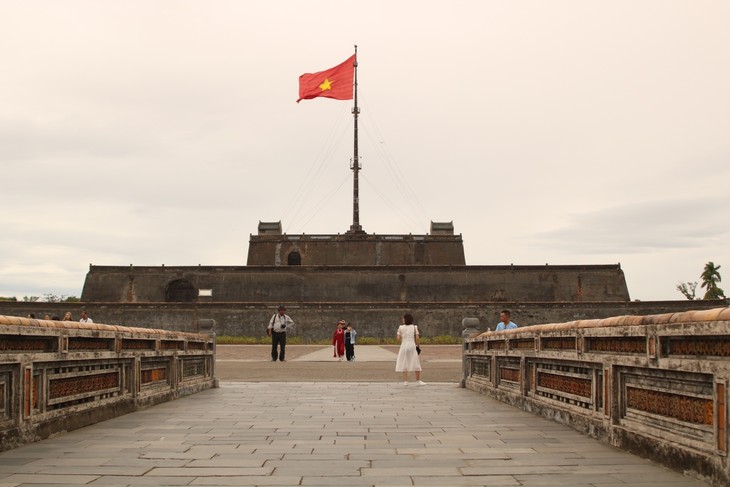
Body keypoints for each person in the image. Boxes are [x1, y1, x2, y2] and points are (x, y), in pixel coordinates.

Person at [395, 313, 425, 385]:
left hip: (404, 346)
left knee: (404, 362)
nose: (402, 319)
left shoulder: (400, 327)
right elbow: (417, 338)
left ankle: (405, 381)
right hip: (412, 346)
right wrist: (418, 346)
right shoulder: (415, 327)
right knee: (416, 362)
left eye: (403, 318)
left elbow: (398, 339)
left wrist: (402, 334)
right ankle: (418, 381)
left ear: (405, 319)